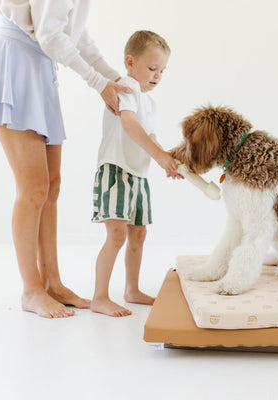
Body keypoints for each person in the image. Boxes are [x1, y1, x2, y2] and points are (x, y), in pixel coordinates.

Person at [0, 0, 132, 318]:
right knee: (33, 188)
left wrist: (118, 80)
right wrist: (100, 84)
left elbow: (77, 36)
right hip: (15, 62)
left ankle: (52, 282)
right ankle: (31, 290)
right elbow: (50, 35)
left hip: (39, 66)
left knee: (52, 186)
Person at [90, 31, 182, 317]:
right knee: (116, 234)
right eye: (152, 68)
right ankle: (100, 297)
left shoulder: (149, 103)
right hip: (116, 169)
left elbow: (151, 136)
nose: (157, 76)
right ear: (130, 62)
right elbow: (129, 125)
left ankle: (132, 289)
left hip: (138, 175)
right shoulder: (126, 87)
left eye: (162, 70)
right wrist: (158, 155)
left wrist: (167, 159)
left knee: (138, 234)